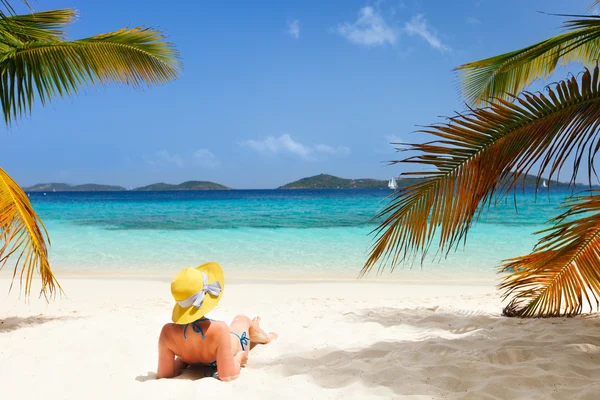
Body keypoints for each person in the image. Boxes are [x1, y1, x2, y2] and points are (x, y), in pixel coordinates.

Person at [157, 262, 277, 381]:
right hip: (231, 347)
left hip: (193, 356)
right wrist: (239, 358)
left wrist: (182, 361)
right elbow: (228, 375)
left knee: (240, 323)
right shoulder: (219, 329)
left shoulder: (167, 332)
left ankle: (255, 329)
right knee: (241, 319)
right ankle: (266, 337)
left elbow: (164, 375)